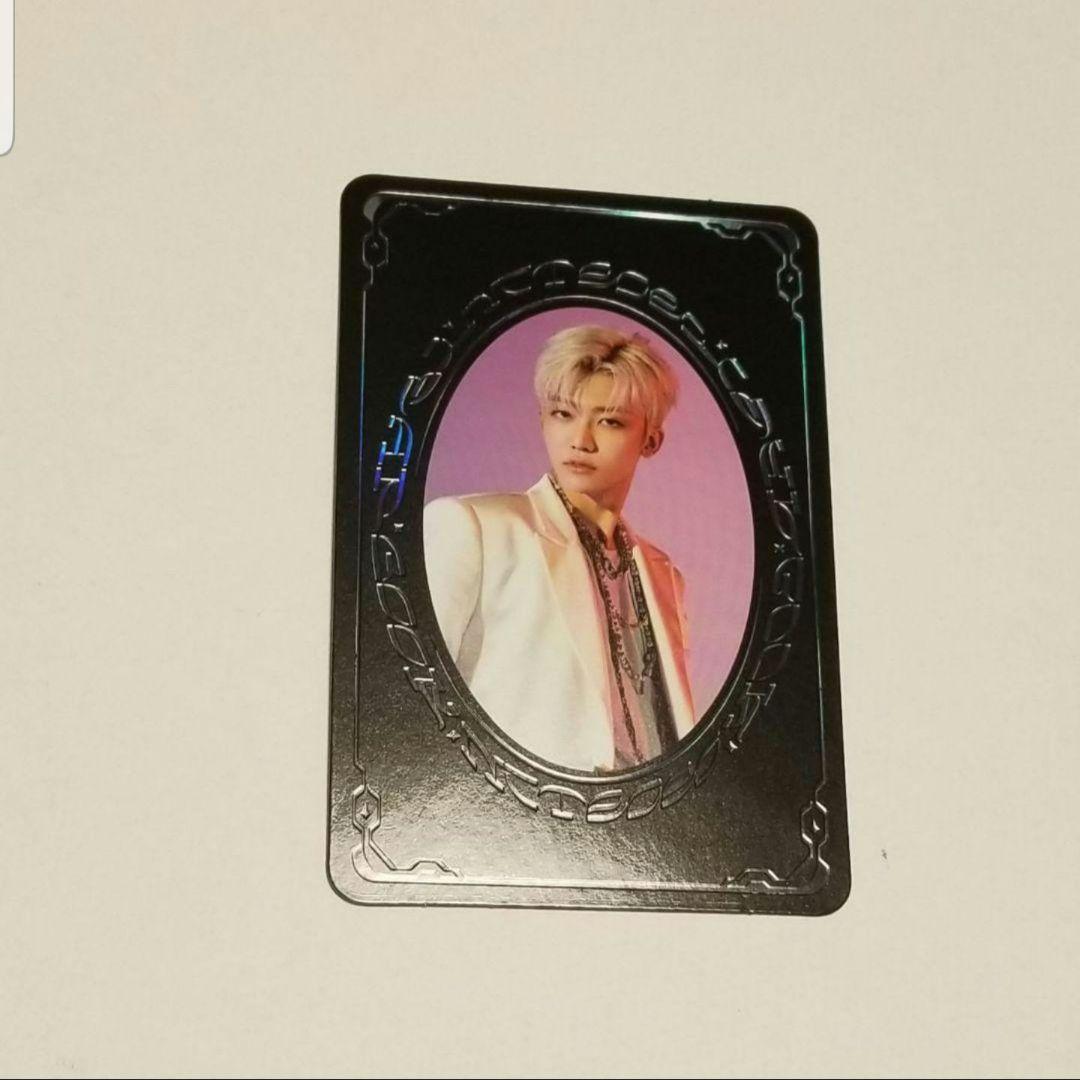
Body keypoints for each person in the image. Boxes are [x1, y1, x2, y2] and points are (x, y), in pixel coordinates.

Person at [423, 325, 694, 773]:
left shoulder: (664, 576)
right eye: (563, 414)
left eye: (609, 421)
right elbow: (411, 705)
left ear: (651, 440)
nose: (580, 440)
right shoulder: (475, 528)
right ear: (542, 420)